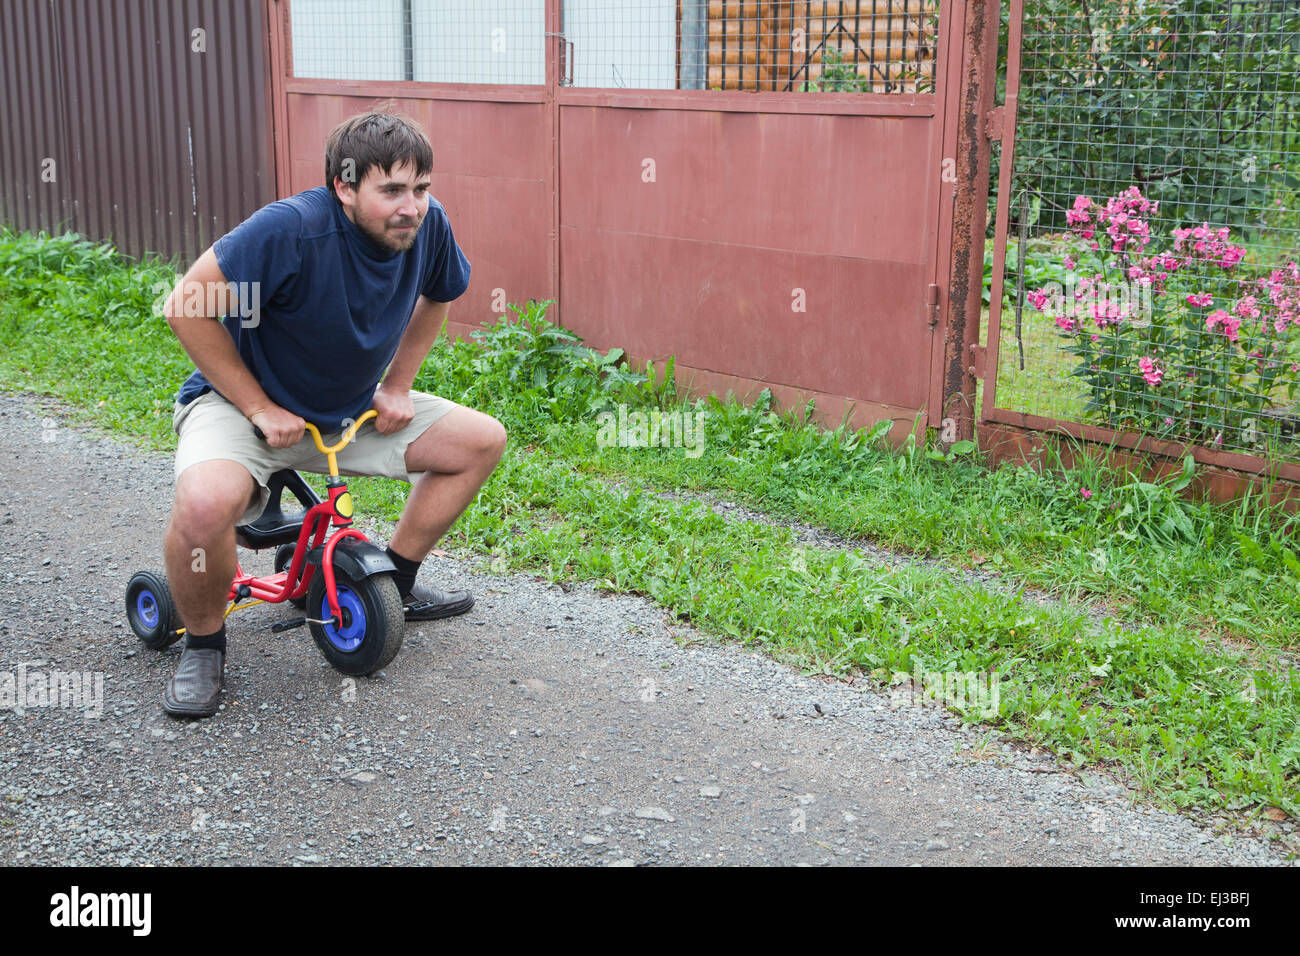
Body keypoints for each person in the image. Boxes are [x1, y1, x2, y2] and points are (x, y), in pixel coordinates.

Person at [159, 110, 506, 718]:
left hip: (344, 413)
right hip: (243, 412)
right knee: (206, 506)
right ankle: (205, 645)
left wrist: (398, 385)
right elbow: (187, 305)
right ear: (345, 188)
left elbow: (439, 294)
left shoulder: (429, 227)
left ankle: (393, 584)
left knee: (479, 442)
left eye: (421, 188)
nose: (414, 206)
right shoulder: (289, 230)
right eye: (393, 190)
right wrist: (259, 407)